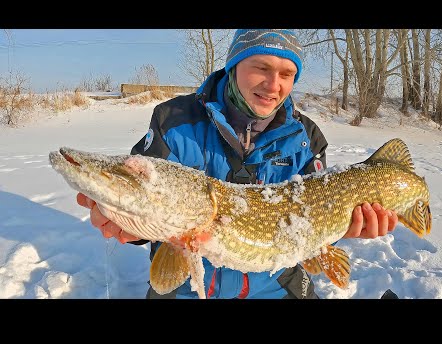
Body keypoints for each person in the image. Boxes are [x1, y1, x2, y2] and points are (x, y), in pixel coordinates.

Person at [77, 29, 398, 299]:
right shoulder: (173, 121)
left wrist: (345, 226)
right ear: (234, 65)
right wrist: (133, 226)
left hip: (276, 284)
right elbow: (147, 196)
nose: (274, 85)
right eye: (261, 67)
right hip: (189, 284)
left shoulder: (306, 137)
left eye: (286, 74)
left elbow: (313, 222)